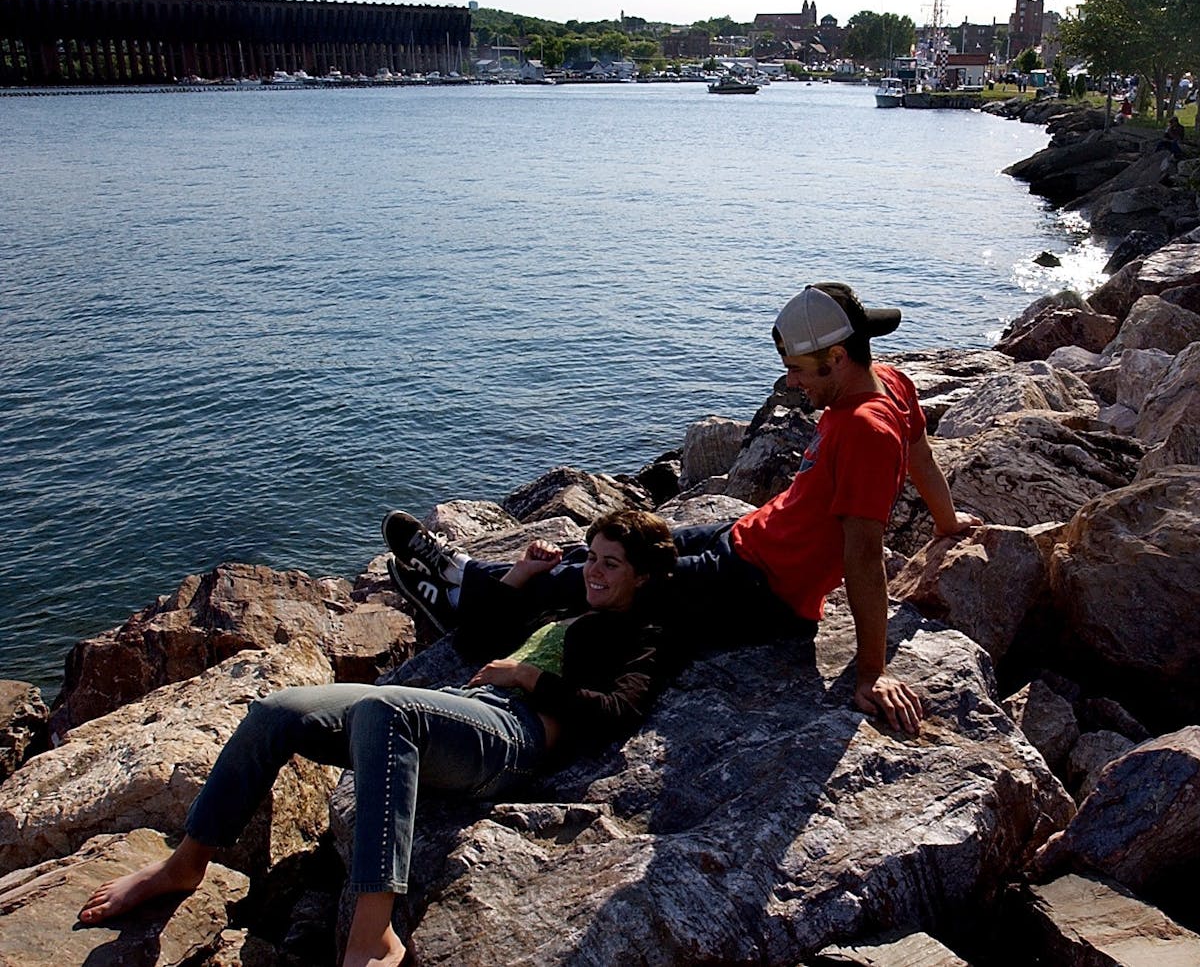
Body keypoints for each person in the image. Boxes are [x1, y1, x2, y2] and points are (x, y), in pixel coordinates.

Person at [79, 509, 677, 967]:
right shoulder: (576, 605)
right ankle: (185, 865)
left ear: (644, 577)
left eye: (610, 564)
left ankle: (372, 932)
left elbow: (617, 710)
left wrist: (529, 676)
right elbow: (477, 637)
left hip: (513, 738)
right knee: (277, 709)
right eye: (592, 557)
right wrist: (521, 574)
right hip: (465, 709)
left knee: (387, 710)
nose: (592, 571)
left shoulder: (645, 632)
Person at [389, 283, 980, 739]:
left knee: (615, 578)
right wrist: (948, 526)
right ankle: (476, 579)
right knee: (618, 548)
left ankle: (465, 592)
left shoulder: (864, 431)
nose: (791, 383)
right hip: (747, 538)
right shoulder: (891, 383)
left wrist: (871, 670)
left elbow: (864, 555)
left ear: (839, 357)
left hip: (758, 588)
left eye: (799, 371)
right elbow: (924, 455)